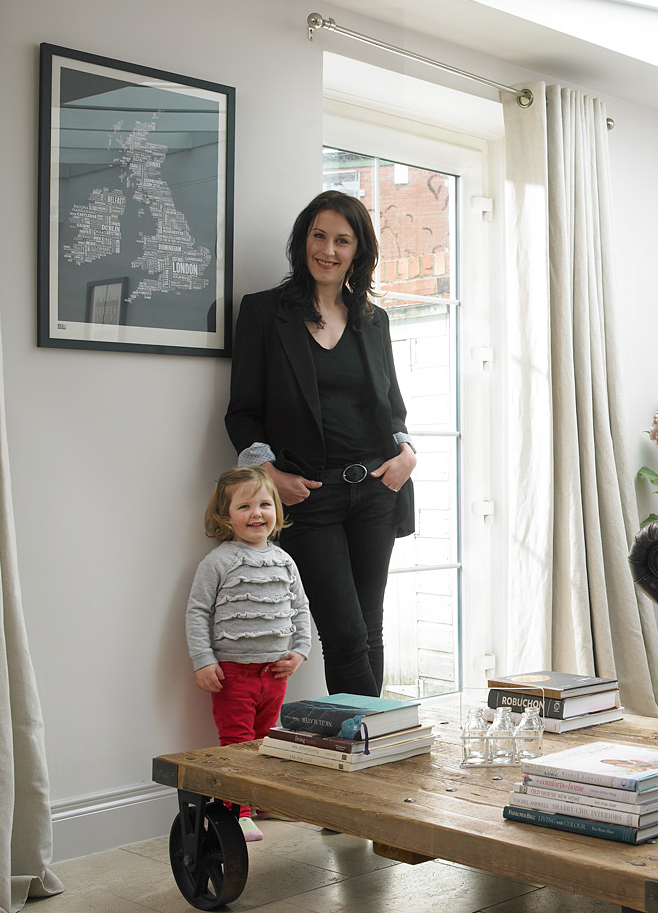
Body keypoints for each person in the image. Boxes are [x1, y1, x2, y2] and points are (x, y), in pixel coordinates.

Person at [225, 189, 417, 699]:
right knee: (345, 633)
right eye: (319, 235)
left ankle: (368, 746)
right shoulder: (265, 314)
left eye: (342, 240)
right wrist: (270, 475)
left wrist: (408, 454)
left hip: (376, 489)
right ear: (302, 240)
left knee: (370, 628)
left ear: (358, 252)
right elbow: (242, 413)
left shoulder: (373, 321)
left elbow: (392, 409)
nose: (328, 250)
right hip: (309, 498)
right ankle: (367, 741)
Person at [187, 465, 311, 843]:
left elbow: (301, 607)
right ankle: (235, 813)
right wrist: (203, 660)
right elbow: (197, 611)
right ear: (225, 517)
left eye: (264, 504)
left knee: (267, 740)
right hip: (233, 674)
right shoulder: (219, 562)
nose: (256, 513)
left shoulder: (284, 560)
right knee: (237, 745)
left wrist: (299, 652)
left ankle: (261, 802)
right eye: (244, 507)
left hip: (275, 673)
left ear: (276, 509)